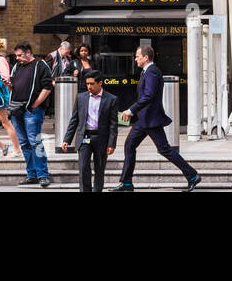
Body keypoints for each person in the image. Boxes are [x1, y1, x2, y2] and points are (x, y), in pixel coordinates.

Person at [116, 45, 201, 191]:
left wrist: (131, 110)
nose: (135, 58)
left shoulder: (152, 72)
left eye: (137, 56)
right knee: (130, 145)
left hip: (150, 119)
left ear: (146, 57)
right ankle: (126, 183)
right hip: (144, 119)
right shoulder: (146, 72)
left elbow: (148, 95)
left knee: (164, 149)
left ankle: (192, 175)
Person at [62, 69, 120, 192]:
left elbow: (113, 125)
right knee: (83, 167)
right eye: (87, 84)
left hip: (101, 138)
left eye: (92, 84)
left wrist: (112, 143)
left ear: (100, 83)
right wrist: (67, 139)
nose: (89, 87)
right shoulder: (81, 97)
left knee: (99, 169)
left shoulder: (111, 99)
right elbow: (74, 120)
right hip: (85, 137)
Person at [10, 42, 54, 187]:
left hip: (31, 110)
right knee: (24, 143)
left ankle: (43, 174)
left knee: (35, 142)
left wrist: (35, 104)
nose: (17, 58)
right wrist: (8, 84)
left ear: (28, 53)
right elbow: (15, 85)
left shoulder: (40, 66)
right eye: (16, 55)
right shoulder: (17, 67)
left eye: (20, 55)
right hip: (17, 109)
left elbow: (47, 87)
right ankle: (31, 174)